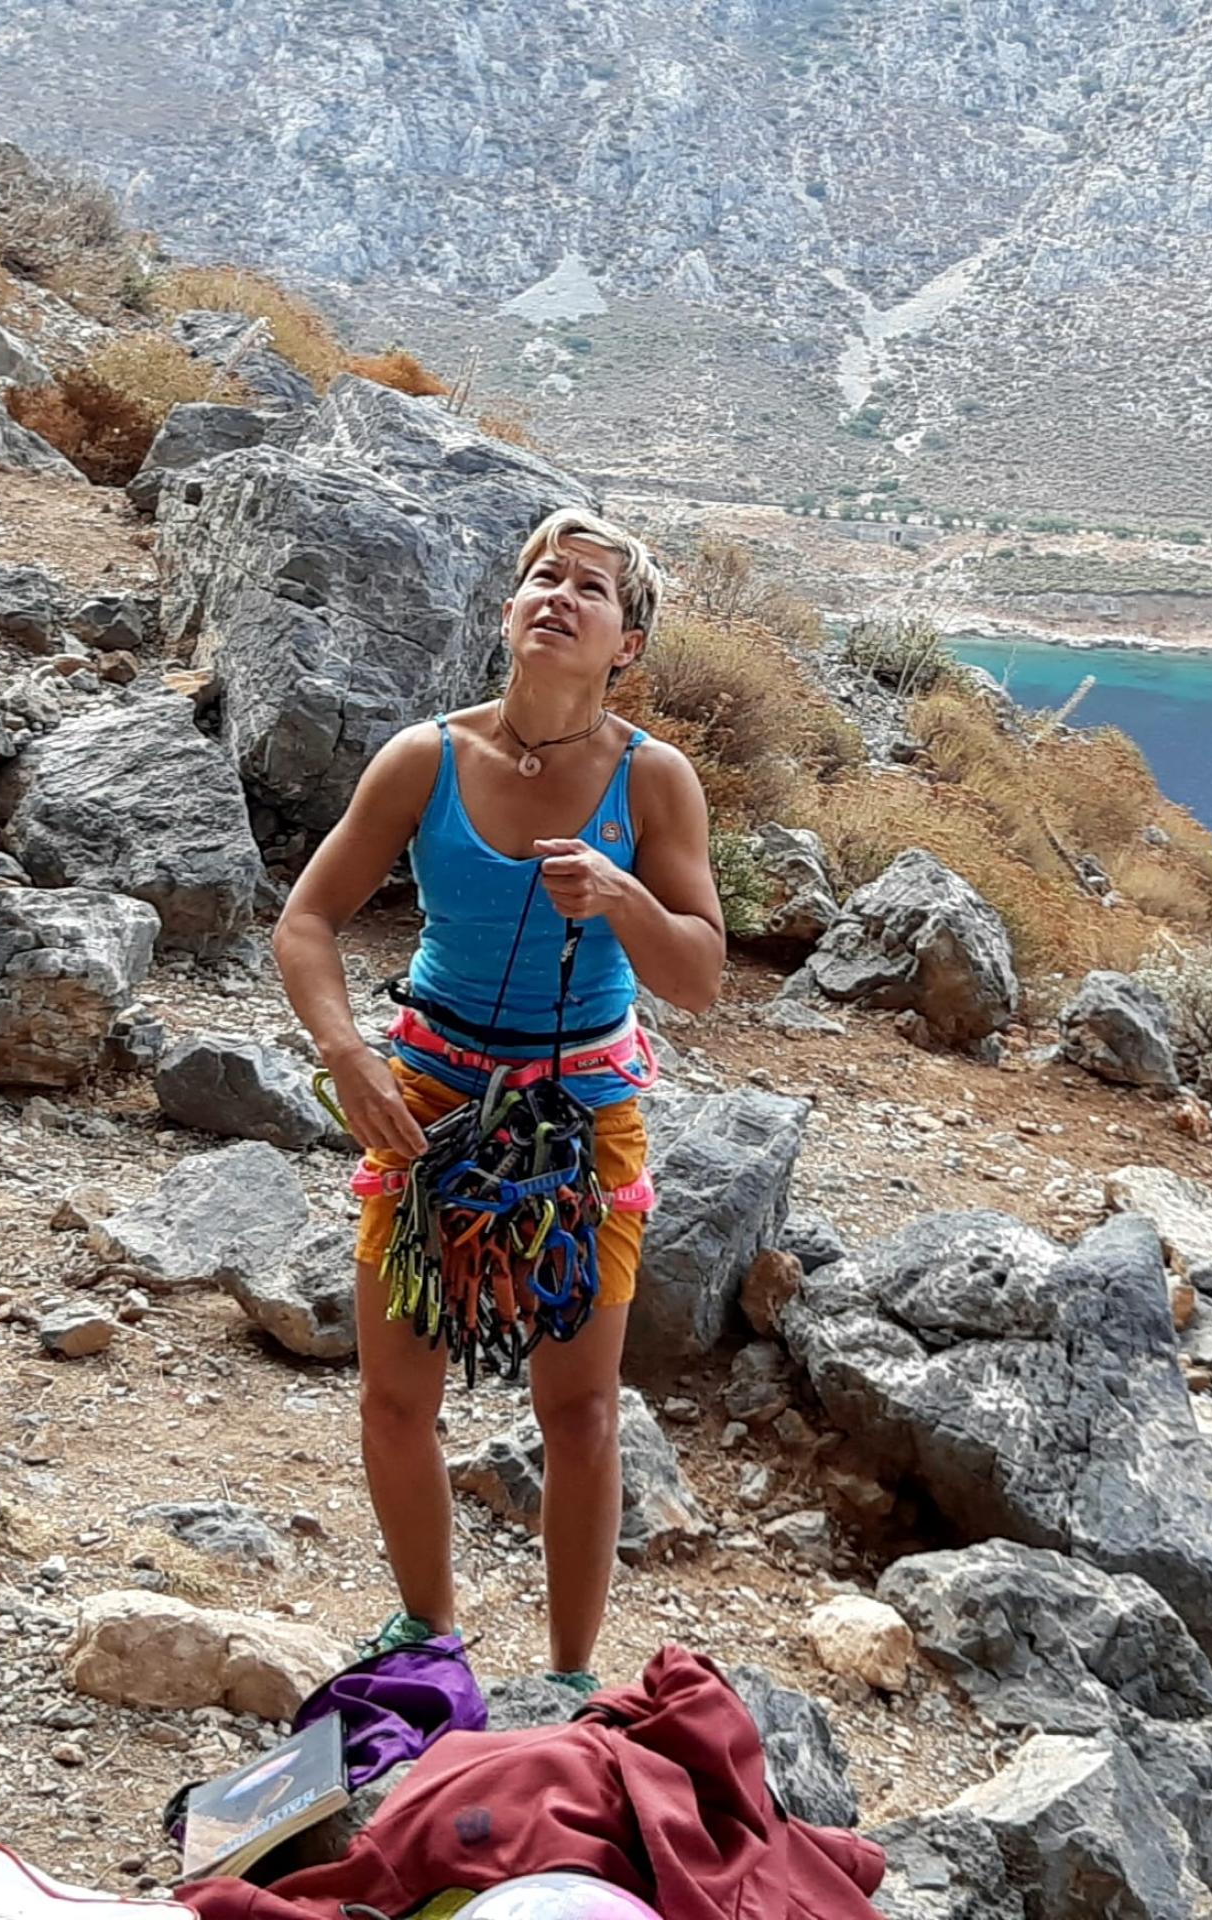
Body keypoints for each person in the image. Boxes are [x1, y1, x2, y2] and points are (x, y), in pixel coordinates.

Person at [273, 507, 725, 1695]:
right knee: (394, 1395)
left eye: (590, 588)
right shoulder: (424, 759)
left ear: (626, 644)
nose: (559, 596)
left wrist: (622, 898)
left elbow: (698, 976)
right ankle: (429, 1642)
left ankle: (568, 1683)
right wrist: (348, 1057)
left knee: (580, 1412)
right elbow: (307, 920)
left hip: (583, 1118)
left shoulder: (652, 782)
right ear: (510, 609)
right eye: (542, 577)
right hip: (424, 1101)